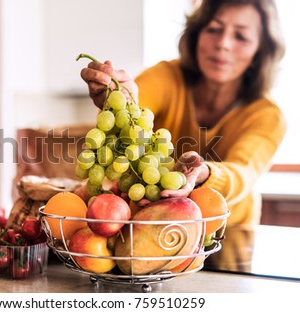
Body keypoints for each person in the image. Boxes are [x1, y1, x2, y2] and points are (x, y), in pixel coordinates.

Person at [80, 0, 286, 226]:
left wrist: (204, 173)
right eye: (214, 29)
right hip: (153, 224)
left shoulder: (267, 115)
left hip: (227, 233)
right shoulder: (166, 77)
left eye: (241, 37)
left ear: (260, 50)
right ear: (197, 34)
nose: (223, 43)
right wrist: (121, 102)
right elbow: (131, 119)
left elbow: (243, 172)